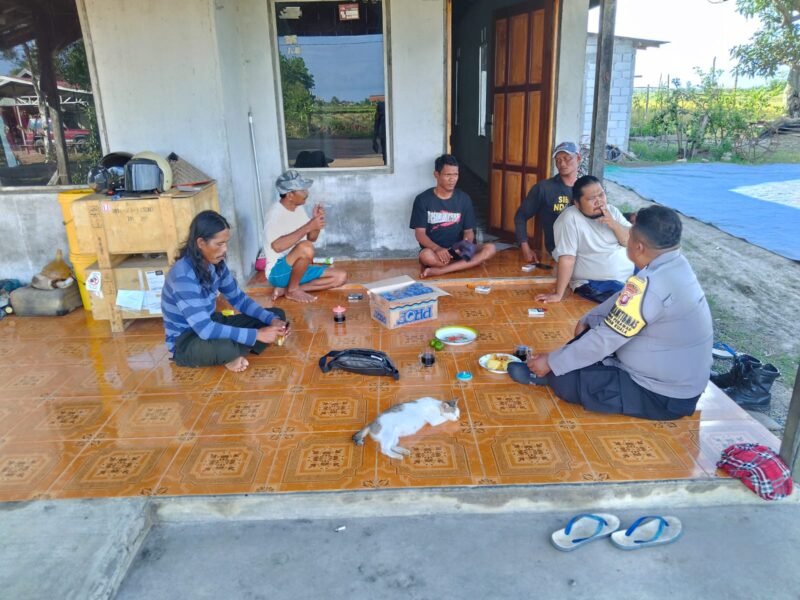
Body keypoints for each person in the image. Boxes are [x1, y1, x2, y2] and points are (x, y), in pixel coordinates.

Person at [509, 205, 713, 421]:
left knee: (565, 380)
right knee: (587, 335)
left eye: (629, 233)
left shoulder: (652, 286)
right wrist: (590, 318)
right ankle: (558, 365)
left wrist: (551, 363)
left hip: (661, 394)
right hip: (673, 376)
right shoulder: (673, 264)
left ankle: (548, 374)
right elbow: (623, 300)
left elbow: (605, 339)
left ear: (639, 246)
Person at [161, 210, 288, 373]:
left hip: (212, 322)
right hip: (186, 340)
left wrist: (272, 320)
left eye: (226, 243)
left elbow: (239, 300)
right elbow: (205, 329)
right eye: (219, 244)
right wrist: (257, 335)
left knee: (277, 314)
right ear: (201, 243)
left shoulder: (216, 264)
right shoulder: (183, 276)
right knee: (227, 347)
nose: (225, 249)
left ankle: (235, 351)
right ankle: (231, 354)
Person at [536, 175, 633, 304]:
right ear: (577, 203)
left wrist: (614, 224)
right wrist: (559, 293)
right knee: (633, 303)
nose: (599, 201)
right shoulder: (569, 219)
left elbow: (629, 242)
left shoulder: (612, 211)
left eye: (601, 195)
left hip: (628, 276)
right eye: (592, 198)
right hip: (597, 283)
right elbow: (567, 258)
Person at [264, 170, 347, 303]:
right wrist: (309, 225)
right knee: (306, 248)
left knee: (340, 277)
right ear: (290, 195)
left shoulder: (298, 208)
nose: (306, 193)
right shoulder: (275, 214)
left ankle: (287, 289)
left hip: (298, 268)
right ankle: (292, 290)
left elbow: (311, 238)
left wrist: (315, 221)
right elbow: (277, 246)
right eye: (302, 190)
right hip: (278, 272)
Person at [410, 154, 497, 278]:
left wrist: (464, 244)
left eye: (455, 175)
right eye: (447, 175)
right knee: (425, 256)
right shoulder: (423, 200)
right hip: (435, 251)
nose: (452, 179)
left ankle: (441, 270)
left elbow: (469, 231)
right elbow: (420, 234)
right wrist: (437, 248)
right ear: (436, 175)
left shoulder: (464, 199)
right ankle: (462, 266)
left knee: (490, 248)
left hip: (459, 248)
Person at [514, 141, 579, 263]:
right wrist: (525, 248)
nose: (562, 163)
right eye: (558, 160)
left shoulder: (586, 187)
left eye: (567, 158)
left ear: (578, 158)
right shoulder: (544, 188)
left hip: (584, 248)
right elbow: (520, 216)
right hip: (560, 250)